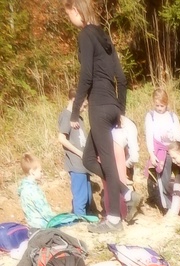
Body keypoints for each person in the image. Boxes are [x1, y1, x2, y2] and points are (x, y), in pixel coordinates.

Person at [66, 0, 127, 231]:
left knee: (107, 162)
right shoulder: (105, 38)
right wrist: (120, 110)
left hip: (99, 106)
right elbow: (122, 79)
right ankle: (126, 192)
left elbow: (86, 76)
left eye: (69, 14)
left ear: (76, 10)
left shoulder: (86, 35)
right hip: (111, 106)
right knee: (88, 159)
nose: (69, 19)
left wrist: (75, 111)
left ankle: (114, 220)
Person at [57, 88, 92, 217]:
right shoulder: (66, 116)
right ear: (74, 100)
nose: (85, 109)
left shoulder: (78, 118)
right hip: (76, 164)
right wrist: (79, 153)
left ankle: (87, 218)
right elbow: (61, 138)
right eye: (84, 105)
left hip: (84, 164)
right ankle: (80, 221)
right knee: (81, 198)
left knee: (88, 197)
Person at [17, 155, 56, 228]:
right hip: (41, 225)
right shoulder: (33, 190)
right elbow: (44, 211)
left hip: (32, 224)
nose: (42, 173)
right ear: (32, 172)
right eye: (40, 171)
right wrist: (57, 220)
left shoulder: (23, 187)